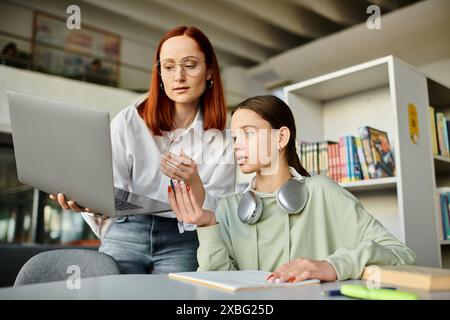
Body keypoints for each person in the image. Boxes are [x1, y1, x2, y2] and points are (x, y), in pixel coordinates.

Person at [168, 95, 416, 283]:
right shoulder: (228, 208)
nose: (237, 146)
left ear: (281, 138)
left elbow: (402, 254)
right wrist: (207, 226)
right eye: (234, 138)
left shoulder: (321, 192)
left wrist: (332, 266)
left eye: (248, 134)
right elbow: (219, 285)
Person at [50, 26, 236, 274]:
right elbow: (108, 188)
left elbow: (221, 212)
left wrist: (196, 186)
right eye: (168, 67)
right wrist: (87, 201)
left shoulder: (223, 138)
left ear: (209, 69)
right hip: (128, 229)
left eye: (190, 64)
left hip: (184, 237)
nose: (178, 76)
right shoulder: (130, 120)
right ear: (159, 74)